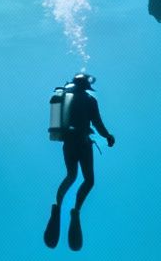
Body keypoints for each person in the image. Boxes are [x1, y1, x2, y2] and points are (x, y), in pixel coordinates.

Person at [45, 72, 114, 251]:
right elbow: (98, 123)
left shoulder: (65, 97)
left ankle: (56, 207)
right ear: (87, 86)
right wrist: (108, 137)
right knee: (89, 180)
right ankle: (75, 211)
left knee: (71, 175)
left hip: (68, 142)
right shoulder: (90, 101)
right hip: (83, 143)